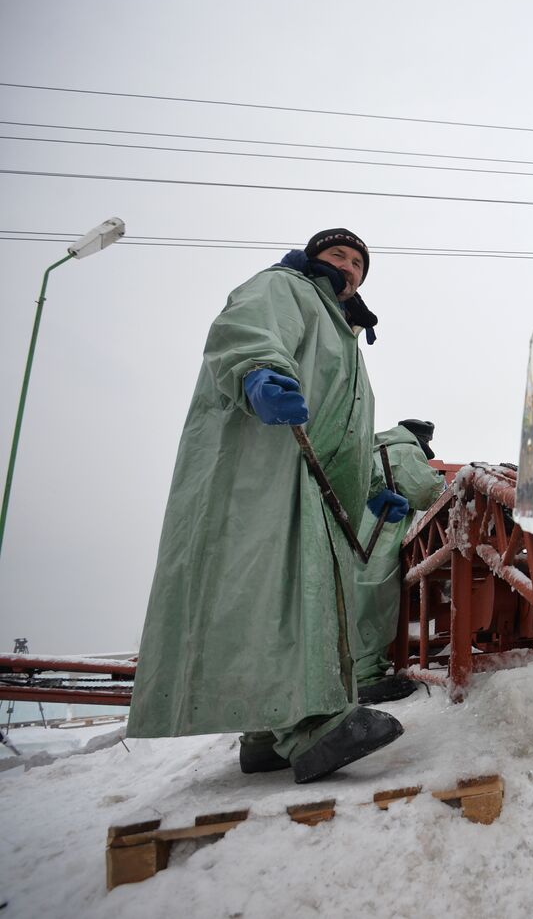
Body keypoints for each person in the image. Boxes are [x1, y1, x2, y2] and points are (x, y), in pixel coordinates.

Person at [128, 228, 412, 784]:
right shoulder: (287, 287)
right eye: (338, 255)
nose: (349, 266)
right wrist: (258, 373)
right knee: (280, 595)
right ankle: (313, 725)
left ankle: (263, 734)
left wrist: (372, 484)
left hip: (315, 481)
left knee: (272, 598)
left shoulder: (348, 338)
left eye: (358, 262)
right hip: (267, 466)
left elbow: (347, 426)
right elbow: (245, 330)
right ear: (314, 259)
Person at [352, 419, 446, 704]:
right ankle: (364, 677)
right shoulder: (405, 450)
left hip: (356, 535)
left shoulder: (371, 450)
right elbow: (427, 493)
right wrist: (441, 480)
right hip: (380, 538)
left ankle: (348, 673)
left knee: (353, 600)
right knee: (375, 603)